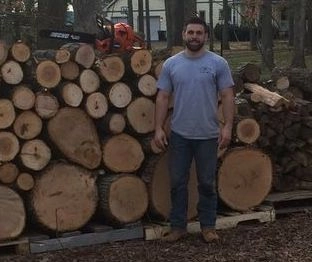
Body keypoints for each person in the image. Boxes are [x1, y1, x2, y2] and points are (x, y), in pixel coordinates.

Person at [154, 16, 235, 243]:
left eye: (199, 33)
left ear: (206, 36)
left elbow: (228, 95)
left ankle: (208, 226)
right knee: (178, 182)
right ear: (183, 34)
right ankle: (178, 227)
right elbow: (162, 97)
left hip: (208, 135)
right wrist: (158, 128)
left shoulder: (218, 64)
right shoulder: (172, 64)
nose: (194, 37)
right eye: (191, 32)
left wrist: (227, 126)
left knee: (207, 183)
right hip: (179, 134)